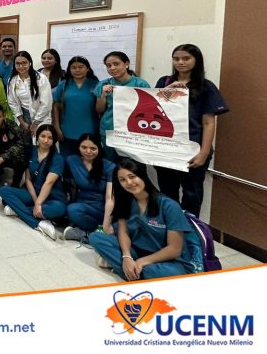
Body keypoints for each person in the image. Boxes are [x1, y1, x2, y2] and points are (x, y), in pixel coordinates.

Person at [90, 159, 202, 280]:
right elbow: (124, 232)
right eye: (122, 180)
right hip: (137, 252)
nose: (128, 182)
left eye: (132, 176)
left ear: (142, 175)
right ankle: (132, 270)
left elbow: (174, 250)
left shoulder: (169, 206)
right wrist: (126, 257)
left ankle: (130, 272)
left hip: (169, 261)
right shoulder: (125, 201)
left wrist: (142, 261)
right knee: (95, 237)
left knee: (166, 273)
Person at [154, 44, 229, 216]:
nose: (180, 62)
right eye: (176, 59)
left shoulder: (206, 86)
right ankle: (171, 228)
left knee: (192, 193)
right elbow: (153, 110)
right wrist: (167, 91)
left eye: (186, 58)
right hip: (166, 147)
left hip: (193, 147)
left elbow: (209, 122)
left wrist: (203, 152)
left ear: (196, 60)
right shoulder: (164, 81)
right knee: (167, 191)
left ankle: (190, 230)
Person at [0, 124, 67, 240]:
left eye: (50, 138)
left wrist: (38, 204)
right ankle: (38, 222)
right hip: (33, 193)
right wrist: (36, 201)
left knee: (60, 209)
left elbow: (48, 183)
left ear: (54, 140)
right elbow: (28, 179)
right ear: (37, 136)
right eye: (43, 136)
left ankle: (19, 210)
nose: (46, 141)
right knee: (4, 191)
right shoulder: (32, 151)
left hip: (51, 197)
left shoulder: (58, 159)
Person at [94, 51, 150, 159]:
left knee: (133, 166)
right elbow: (99, 110)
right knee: (111, 164)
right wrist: (103, 95)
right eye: (109, 66)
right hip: (109, 129)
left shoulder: (140, 84)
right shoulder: (103, 84)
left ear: (126, 64)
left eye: (116, 64)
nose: (112, 68)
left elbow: (148, 109)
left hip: (132, 131)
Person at [63, 134, 115, 241]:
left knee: (73, 210)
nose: (88, 151)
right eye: (84, 147)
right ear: (78, 147)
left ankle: (94, 232)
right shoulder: (72, 160)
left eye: (93, 148)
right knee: (66, 210)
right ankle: (89, 233)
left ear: (99, 148)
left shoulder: (110, 166)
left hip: (100, 208)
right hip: (80, 202)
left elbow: (110, 197)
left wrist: (106, 224)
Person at [7, 51, 52, 161]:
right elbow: (12, 102)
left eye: (24, 63)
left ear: (30, 63)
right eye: (18, 64)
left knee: (41, 145)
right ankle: (27, 171)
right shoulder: (12, 79)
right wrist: (22, 121)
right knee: (25, 145)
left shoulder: (40, 78)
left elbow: (46, 103)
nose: (21, 66)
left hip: (41, 116)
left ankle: (41, 170)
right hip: (23, 115)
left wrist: (35, 123)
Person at [52, 56, 100, 158]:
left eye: (81, 67)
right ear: (69, 69)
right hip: (66, 131)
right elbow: (55, 105)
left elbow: (100, 108)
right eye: (73, 67)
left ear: (87, 68)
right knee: (67, 161)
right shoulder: (64, 84)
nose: (77, 70)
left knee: (87, 161)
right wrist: (56, 127)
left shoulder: (96, 84)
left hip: (90, 131)